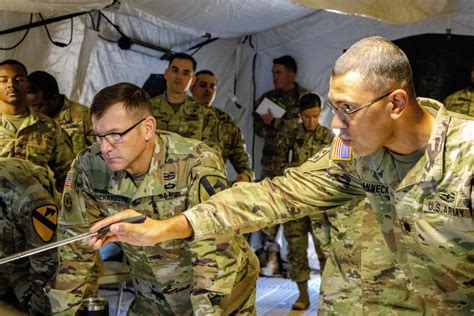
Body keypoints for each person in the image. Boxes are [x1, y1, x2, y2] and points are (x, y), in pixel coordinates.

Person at [89, 37, 474, 314]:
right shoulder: (352, 153)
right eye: (333, 108)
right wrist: (167, 227)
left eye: (348, 109)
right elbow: (278, 194)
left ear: (395, 103)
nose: (336, 125)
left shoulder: (467, 157)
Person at [46, 83, 259, 315]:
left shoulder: (197, 162)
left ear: (147, 128)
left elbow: (215, 253)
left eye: (115, 135)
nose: (105, 147)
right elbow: (74, 250)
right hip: (152, 295)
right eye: (98, 136)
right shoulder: (89, 166)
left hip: (222, 296)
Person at [274, 93, 333, 310]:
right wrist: (295, 167)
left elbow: (340, 168)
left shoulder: (329, 137)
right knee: (296, 250)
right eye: (307, 116)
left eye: (316, 116)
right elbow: (276, 166)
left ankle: (328, 294)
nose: (312, 121)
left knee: (325, 249)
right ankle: (302, 295)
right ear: (300, 115)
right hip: (296, 202)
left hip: (320, 204)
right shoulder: (289, 136)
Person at [253, 55, 309, 275]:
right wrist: (277, 125)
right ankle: (270, 255)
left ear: (291, 74)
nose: (274, 77)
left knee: (294, 213)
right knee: (268, 210)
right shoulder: (268, 98)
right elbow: (259, 128)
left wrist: (275, 121)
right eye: (273, 73)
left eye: (279, 73)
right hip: (271, 165)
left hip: (296, 166)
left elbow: (303, 127)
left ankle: (296, 265)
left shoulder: (304, 97)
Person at [0, 60, 75, 191]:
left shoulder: (49, 127)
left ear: (28, 85)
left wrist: (67, 201)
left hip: (36, 205)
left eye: (19, 80)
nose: (11, 85)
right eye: (3, 80)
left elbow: (69, 173)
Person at [0, 157, 59, 315]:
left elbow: (47, 264)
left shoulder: (23, 193)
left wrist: (38, 310)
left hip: (58, 272)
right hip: (11, 267)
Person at [149, 53, 222, 153]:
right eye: (175, 71)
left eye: (185, 73)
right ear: (166, 73)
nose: (179, 77)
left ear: (193, 80)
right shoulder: (146, 109)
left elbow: (212, 157)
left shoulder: (207, 116)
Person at [190, 70, 253, 183]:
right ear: (192, 87)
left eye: (212, 86)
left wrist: (246, 175)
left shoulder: (224, 120)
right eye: (203, 85)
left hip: (212, 185)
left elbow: (239, 152)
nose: (208, 90)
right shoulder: (180, 114)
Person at [26, 70, 93, 155]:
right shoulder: (27, 117)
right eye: (28, 106)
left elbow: (99, 154)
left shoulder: (84, 116)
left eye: (38, 107)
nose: (33, 112)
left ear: (54, 99)